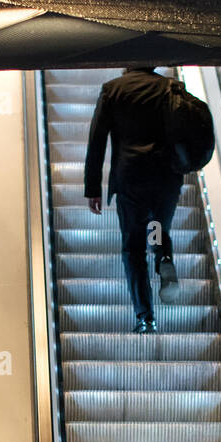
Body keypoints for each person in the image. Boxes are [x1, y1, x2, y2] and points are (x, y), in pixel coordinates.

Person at [83, 65, 184, 333]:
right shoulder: (170, 87)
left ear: (127, 63)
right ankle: (163, 257)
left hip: (130, 178)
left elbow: (97, 140)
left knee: (133, 248)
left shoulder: (113, 90)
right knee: (158, 226)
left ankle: (145, 317)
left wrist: (93, 186)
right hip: (166, 176)